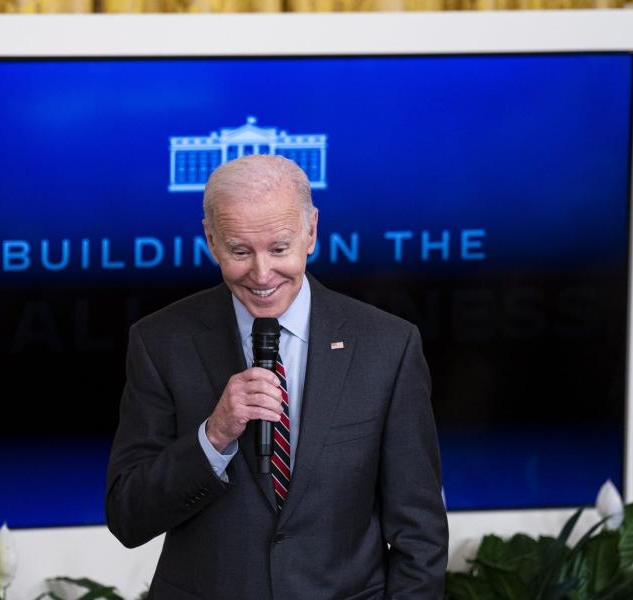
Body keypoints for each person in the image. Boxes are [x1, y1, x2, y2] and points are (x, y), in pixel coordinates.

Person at [106, 154, 448, 599]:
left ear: (312, 232)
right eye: (240, 251)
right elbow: (128, 515)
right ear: (211, 240)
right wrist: (213, 437)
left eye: (279, 248)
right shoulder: (161, 342)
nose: (262, 274)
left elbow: (419, 533)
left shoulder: (388, 346)